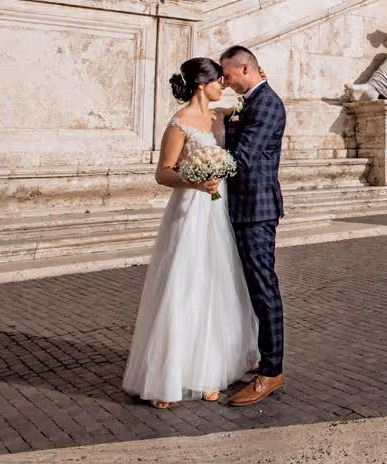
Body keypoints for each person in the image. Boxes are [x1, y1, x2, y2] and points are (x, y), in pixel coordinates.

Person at [123, 58, 259, 409]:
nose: (224, 86)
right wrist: (193, 180)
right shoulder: (179, 124)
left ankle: (208, 373)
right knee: (184, 285)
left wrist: (257, 78)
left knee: (216, 287)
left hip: (218, 212)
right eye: (219, 81)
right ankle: (168, 375)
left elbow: (250, 99)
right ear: (202, 85)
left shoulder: (219, 117)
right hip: (190, 210)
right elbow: (162, 173)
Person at [219, 45, 288, 407]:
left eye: (228, 75)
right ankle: (264, 357)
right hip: (244, 206)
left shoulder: (267, 104)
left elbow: (243, 158)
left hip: (257, 209)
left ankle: (272, 372)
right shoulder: (253, 101)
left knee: (264, 288)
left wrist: (206, 143)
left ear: (245, 68)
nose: (225, 82)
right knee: (252, 288)